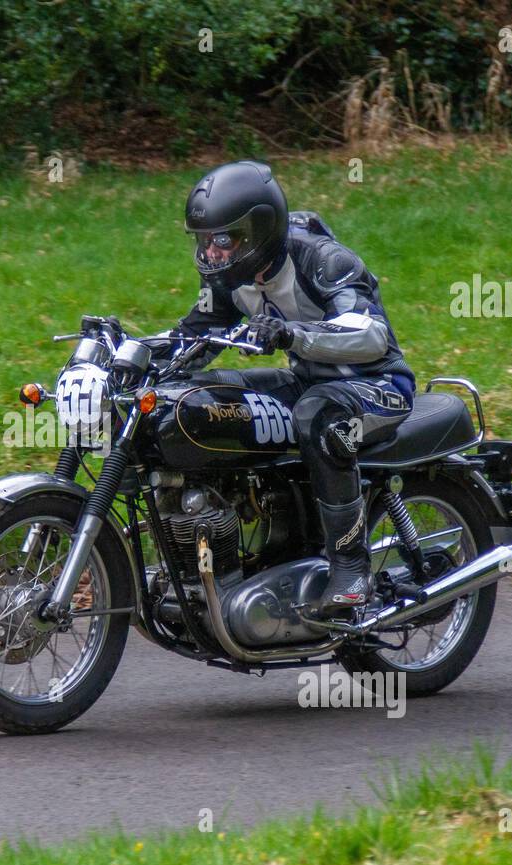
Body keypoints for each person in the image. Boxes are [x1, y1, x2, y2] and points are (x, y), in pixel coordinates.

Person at [171, 160, 415, 617]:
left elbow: (370, 335)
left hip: (377, 384)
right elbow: (194, 338)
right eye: (204, 241)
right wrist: (131, 357)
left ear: (259, 231)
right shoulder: (229, 280)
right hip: (308, 380)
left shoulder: (323, 259)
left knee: (318, 417)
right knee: (203, 398)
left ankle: (351, 569)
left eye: (223, 240)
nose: (211, 253)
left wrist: (292, 335)